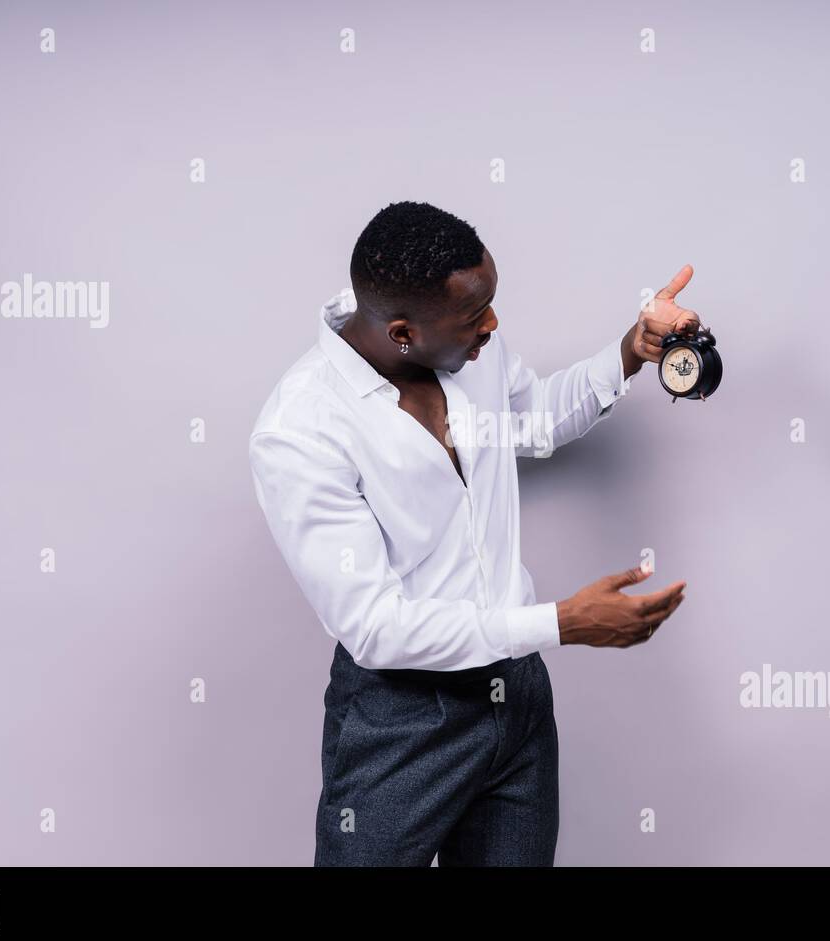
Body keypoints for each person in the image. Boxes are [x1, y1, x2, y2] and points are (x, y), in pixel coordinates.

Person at [249, 200, 696, 865]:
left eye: (490, 303)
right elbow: (375, 627)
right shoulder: (301, 429)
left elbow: (534, 418)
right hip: (403, 719)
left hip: (514, 697)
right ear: (402, 333)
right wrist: (561, 623)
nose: (493, 324)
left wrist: (632, 351)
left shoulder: (460, 338)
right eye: (475, 317)